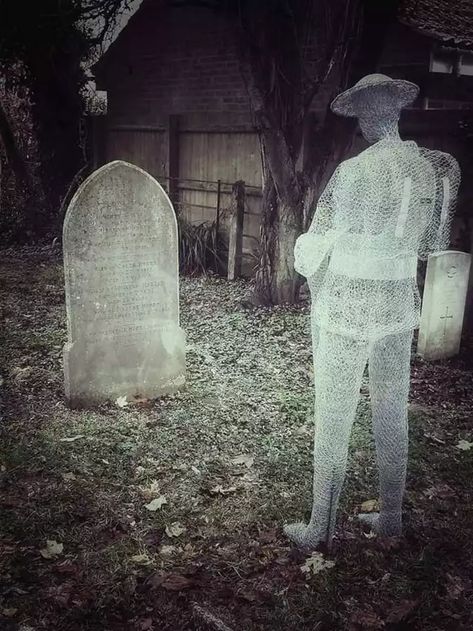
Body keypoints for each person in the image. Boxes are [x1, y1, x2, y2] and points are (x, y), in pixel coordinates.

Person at [284, 74, 460, 549]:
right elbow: (432, 248)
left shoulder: (354, 172)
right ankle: (392, 518)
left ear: (365, 117)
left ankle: (321, 528)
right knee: (390, 409)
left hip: (347, 305)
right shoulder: (435, 168)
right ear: (397, 112)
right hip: (398, 303)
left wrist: (308, 250)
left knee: (335, 413)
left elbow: (314, 249)